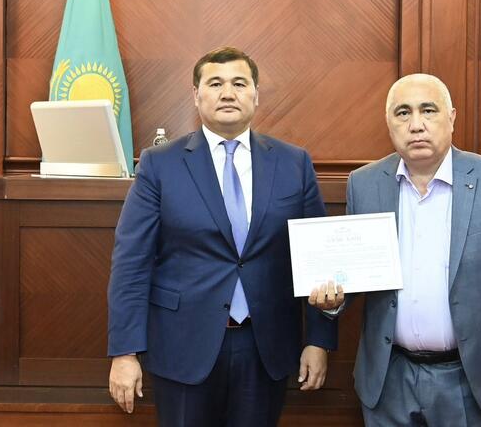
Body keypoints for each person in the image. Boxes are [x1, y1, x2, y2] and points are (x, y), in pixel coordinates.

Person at [107, 46, 337, 426]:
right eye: (215, 84)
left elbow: (319, 259)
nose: (227, 93)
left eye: (239, 84)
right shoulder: (159, 164)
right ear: (196, 95)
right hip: (183, 345)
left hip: (266, 347)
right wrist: (125, 352)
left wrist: (319, 339)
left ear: (256, 95)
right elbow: (132, 262)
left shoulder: (293, 163)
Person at [311, 73, 481, 427]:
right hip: (390, 376)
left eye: (428, 110)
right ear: (389, 123)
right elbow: (358, 269)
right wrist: (334, 301)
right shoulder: (364, 183)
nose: (416, 125)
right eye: (403, 113)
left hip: (473, 374)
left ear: (451, 118)